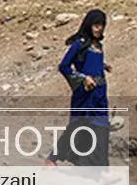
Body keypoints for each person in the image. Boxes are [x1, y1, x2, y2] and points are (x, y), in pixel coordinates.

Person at [46, 9, 112, 167]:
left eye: (102, 26)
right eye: (96, 25)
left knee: (102, 127)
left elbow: (89, 62)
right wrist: (83, 79)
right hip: (85, 96)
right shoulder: (80, 44)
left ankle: (93, 166)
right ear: (89, 25)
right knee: (80, 127)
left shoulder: (99, 46)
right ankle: (52, 158)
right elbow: (64, 66)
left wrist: (103, 65)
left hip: (100, 94)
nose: (99, 29)